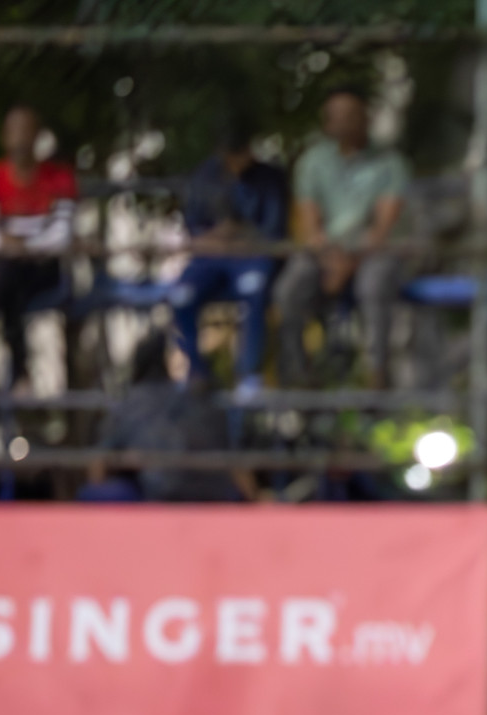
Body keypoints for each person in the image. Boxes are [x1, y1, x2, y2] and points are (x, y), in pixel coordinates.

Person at [273, 85, 408, 388]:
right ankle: (299, 373)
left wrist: (349, 262)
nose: (346, 122)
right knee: (289, 288)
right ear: (327, 122)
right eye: (338, 116)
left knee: (374, 285)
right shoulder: (312, 163)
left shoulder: (390, 163)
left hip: (372, 251)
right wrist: (328, 256)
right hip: (325, 252)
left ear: (365, 118)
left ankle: (377, 372)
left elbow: (383, 226)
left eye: (353, 115)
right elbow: (309, 224)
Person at [0, 105, 77, 393]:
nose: (21, 138)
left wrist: (15, 244)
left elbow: (60, 237)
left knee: (7, 271)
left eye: (27, 130)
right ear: (5, 137)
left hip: (45, 271)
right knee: (10, 281)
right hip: (10, 274)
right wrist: (19, 245)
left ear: (38, 136)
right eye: (15, 131)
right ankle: (19, 375)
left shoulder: (59, 179)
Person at [169, 122, 287, 397]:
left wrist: (239, 236)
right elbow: (192, 236)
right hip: (210, 260)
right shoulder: (205, 176)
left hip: (251, 258)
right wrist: (219, 237)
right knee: (180, 295)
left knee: (254, 289)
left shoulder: (267, 178)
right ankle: (197, 371)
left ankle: (249, 374)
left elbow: (273, 234)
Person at [81, 331, 257, 503]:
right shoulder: (201, 399)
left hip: (161, 496)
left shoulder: (130, 403)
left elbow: (98, 468)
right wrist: (256, 504)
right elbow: (236, 464)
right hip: (216, 496)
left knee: (98, 492)